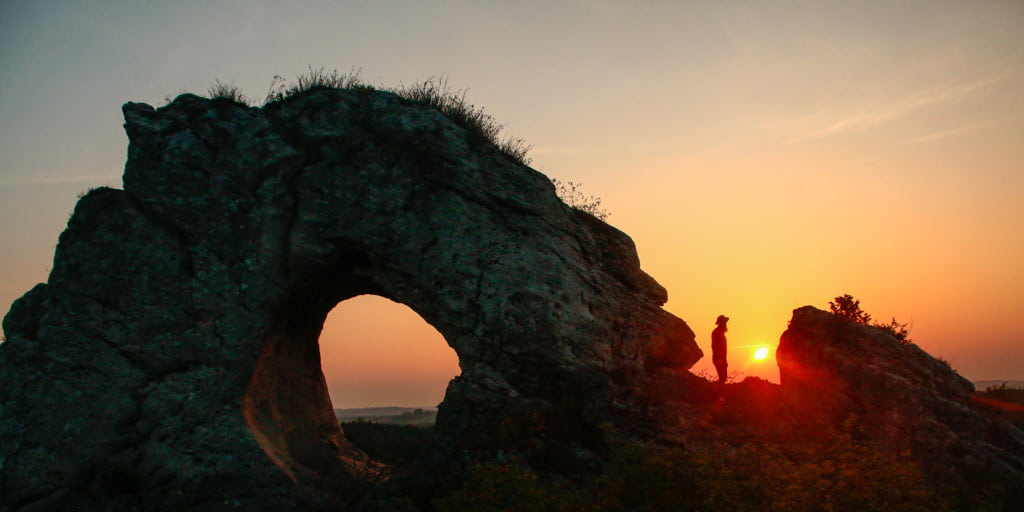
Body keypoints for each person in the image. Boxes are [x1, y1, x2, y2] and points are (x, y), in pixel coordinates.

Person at [711, 315, 729, 384]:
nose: (726, 324)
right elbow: (714, 346)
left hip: (722, 359)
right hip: (718, 358)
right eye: (724, 323)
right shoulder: (716, 332)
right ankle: (719, 393)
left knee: (723, 378)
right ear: (721, 323)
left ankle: (720, 393)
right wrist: (719, 359)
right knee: (722, 378)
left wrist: (724, 360)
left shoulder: (720, 333)